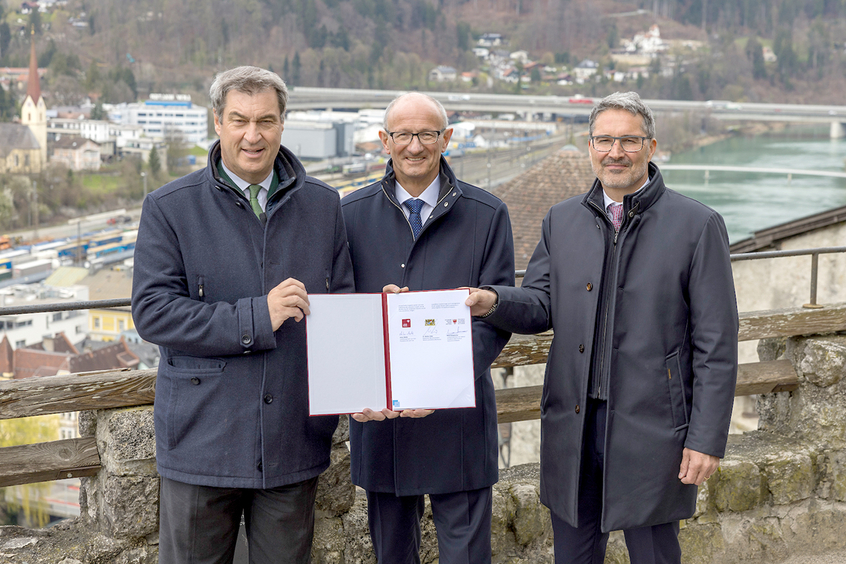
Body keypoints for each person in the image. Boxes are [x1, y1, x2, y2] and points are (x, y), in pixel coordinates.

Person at [465, 91, 738, 564]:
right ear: (590, 146)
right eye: (605, 140)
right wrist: (492, 301)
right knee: (572, 555)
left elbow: (716, 343)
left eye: (629, 141)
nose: (616, 152)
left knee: (653, 553)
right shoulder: (562, 219)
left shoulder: (698, 225)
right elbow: (540, 304)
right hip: (574, 422)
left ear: (652, 147)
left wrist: (705, 438)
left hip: (653, 427)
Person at [131, 66, 354, 564]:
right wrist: (259, 316)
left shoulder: (322, 205)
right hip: (201, 446)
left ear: (282, 125)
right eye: (239, 120)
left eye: (266, 121)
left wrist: (367, 379)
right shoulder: (169, 207)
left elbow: (340, 310)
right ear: (217, 122)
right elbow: (153, 313)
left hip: (292, 445)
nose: (253, 135)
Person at [341, 92, 514, 564]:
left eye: (427, 134)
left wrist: (436, 382)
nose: (414, 146)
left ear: (447, 139)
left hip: (458, 424)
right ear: (384, 140)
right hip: (383, 427)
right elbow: (338, 311)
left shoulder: (487, 214)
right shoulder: (348, 214)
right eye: (402, 134)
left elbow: (495, 319)